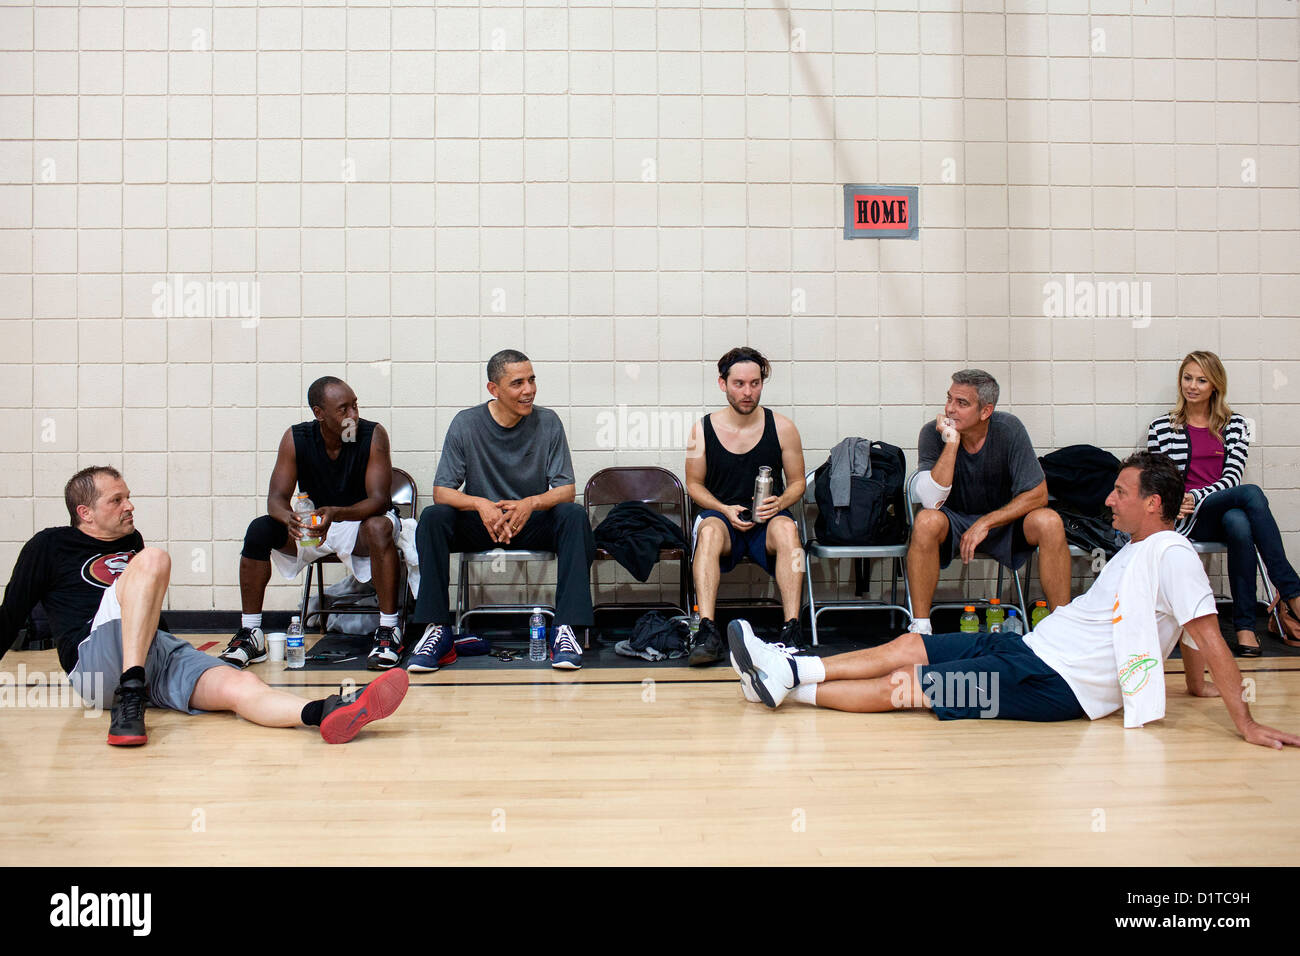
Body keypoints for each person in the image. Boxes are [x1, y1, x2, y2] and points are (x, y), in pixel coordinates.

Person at [727, 452, 1300, 749]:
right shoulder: (1140, 550)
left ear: (1154, 504)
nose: (1109, 500)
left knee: (912, 690)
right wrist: (1193, 688)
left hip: (1055, 684)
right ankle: (793, 666)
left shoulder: (1171, 552)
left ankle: (790, 686)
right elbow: (1188, 629)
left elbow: (1207, 631)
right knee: (912, 643)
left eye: (1121, 492)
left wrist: (1243, 721)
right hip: (1032, 646)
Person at [0, 467, 408, 746]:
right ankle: (129, 695)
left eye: (129, 497)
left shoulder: (131, 539)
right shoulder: (48, 545)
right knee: (155, 559)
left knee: (241, 686)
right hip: (94, 659)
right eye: (116, 500)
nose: (130, 506)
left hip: (152, 655)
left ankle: (325, 712)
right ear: (84, 512)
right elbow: (10, 615)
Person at [408, 349, 595, 671]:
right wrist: (479, 504)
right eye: (518, 383)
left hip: (530, 522)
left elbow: (565, 489)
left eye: (532, 380)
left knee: (574, 515)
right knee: (433, 517)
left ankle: (566, 629)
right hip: (483, 524)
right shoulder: (466, 423)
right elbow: (441, 492)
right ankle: (437, 630)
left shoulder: (548, 422)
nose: (529, 390)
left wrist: (531, 503)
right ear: (494, 389)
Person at [220, 377, 405, 671]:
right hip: (318, 525)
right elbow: (276, 499)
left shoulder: (372, 434)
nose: (353, 415)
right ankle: (251, 633)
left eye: (355, 406)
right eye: (343, 409)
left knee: (379, 526)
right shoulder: (297, 438)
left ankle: (388, 631)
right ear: (320, 413)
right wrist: (289, 519)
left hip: (359, 521)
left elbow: (380, 501)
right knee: (260, 529)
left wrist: (337, 512)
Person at [1147, 350, 1300, 657]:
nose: (1192, 386)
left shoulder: (1235, 425)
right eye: (1187, 378)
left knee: (1238, 521)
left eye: (1201, 380)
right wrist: (1178, 501)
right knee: (1252, 494)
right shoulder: (1161, 427)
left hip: (1216, 511)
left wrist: (1194, 496)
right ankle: (1292, 592)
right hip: (1186, 519)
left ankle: (1245, 627)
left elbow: (1231, 479)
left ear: (1215, 385)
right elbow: (1158, 479)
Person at [907, 368, 1069, 634]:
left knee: (1049, 521)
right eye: (949, 399)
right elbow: (931, 501)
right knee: (925, 521)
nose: (950, 409)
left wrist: (986, 522)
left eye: (962, 403)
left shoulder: (1009, 429)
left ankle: (1063, 625)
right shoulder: (932, 433)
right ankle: (921, 627)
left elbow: (1038, 494)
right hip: (954, 522)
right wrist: (951, 443)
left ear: (985, 411)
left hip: (1003, 522)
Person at [684, 346, 806, 665]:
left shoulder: (782, 427)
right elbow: (693, 484)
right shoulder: (703, 429)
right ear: (723, 384)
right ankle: (708, 629)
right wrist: (723, 509)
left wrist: (780, 502)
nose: (748, 391)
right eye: (739, 383)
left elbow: (798, 483)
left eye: (755, 383)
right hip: (722, 518)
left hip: (767, 517)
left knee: (788, 530)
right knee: (708, 532)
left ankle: (792, 627)